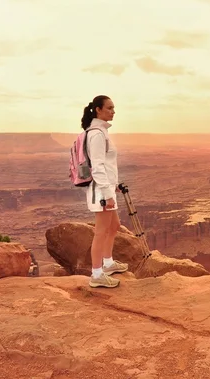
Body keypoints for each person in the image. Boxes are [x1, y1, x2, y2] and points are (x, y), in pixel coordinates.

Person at [81, 95, 128, 288]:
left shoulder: (101, 132)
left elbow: (107, 165)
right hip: (101, 191)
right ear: (98, 110)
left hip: (107, 187)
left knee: (114, 225)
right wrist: (107, 193)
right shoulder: (96, 134)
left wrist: (113, 185)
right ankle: (96, 274)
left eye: (114, 108)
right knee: (100, 232)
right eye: (109, 108)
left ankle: (108, 263)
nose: (113, 111)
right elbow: (98, 166)